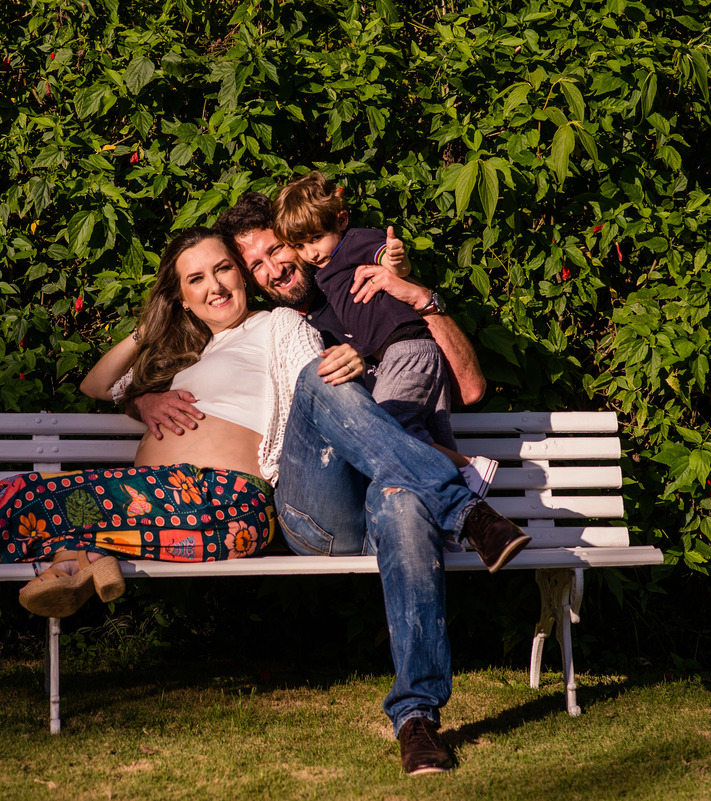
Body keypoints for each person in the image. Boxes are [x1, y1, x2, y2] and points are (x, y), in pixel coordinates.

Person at [126, 197, 524, 776]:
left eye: (275, 252)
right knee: (321, 375)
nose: (272, 270)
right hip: (318, 511)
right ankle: (465, 509)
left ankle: (416, 719)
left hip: (392, 496)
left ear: (300, 242)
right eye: (255, 265)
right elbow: (134, 383)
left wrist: (421, 299)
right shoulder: (274, 328)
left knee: (404, 499)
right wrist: (143, 397)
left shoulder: (368, 287)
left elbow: (469, 386)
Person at [272, 170, 496, 495]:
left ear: (341, 220)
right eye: (300, 245)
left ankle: (466, 467)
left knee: (385, 429)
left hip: (405, 350)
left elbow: (389, 263)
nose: (311, 252)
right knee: (427, 438)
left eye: (316, 239)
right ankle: (460, 499)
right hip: (403, 352)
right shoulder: (322, 274)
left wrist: (395, 262)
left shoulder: (351, 245)